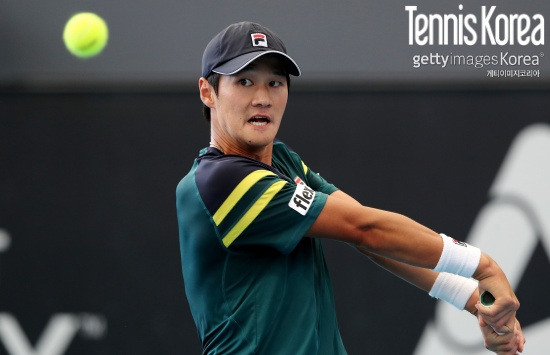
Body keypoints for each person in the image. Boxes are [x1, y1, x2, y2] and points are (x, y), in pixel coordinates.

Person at [176, 21, 525, 354]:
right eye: (245, 82)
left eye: (275, 83)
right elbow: (366, 229)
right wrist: (483, 266)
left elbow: (364, 232)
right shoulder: (219, 182)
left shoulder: (281, 161)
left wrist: (474, 302)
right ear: (208, 92)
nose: (263, 98)